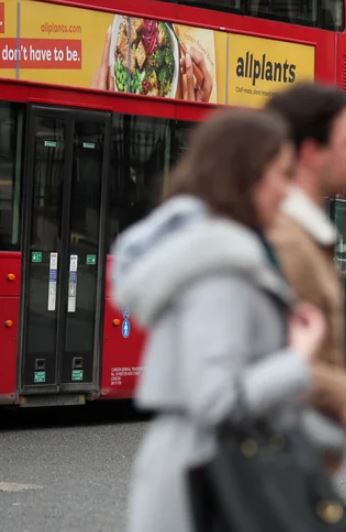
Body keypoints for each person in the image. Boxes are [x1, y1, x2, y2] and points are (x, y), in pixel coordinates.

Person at [114, 109, 325, 531]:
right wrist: (297, 360)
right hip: (209, 483)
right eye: (281, 174)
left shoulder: (212, 253)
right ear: (247, 174)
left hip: (198, 472)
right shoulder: (220, 266)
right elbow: (216, 399)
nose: (287, 191)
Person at [265, 84, 346, 446]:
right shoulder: (285, 242)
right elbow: (261, 360)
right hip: (268, 464)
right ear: (311, 153)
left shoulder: (304, 235)